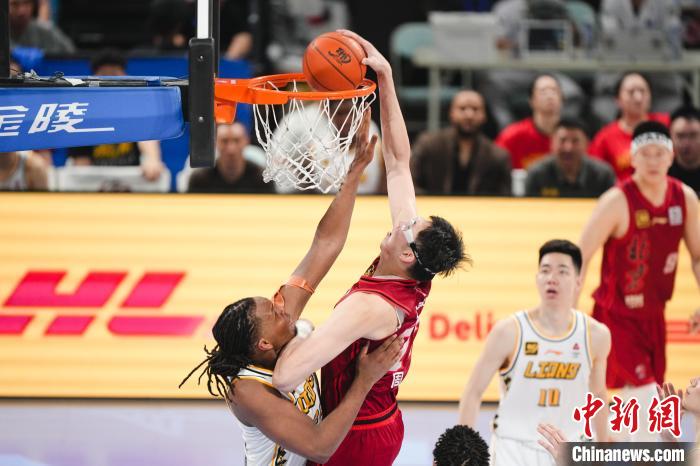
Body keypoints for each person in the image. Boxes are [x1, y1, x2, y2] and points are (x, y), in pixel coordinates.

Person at [272, 30, 468, 466]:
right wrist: (386, 78)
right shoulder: (412, 269)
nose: (403, 221)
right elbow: (398, 163)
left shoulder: (369, 307)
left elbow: (286, 377)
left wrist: (293, 331)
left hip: (354, 435)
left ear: (408, 254)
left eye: (409, 227)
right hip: (378, 421)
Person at [179, 112, 387, 465]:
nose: (282, 306)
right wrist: (364, 381)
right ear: (264, 344)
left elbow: (324, 245)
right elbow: (319, 446)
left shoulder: (278, 325)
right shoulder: (247, 390)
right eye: (274, 311)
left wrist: (353, 174)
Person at [579, 121, 700, 440]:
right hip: (615, 315)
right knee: (645, 394)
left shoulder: (684, 198)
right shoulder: (616, 201)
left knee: (643, 400)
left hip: (653, 315)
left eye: (660, 153)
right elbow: (581, 256)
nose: (653, 160)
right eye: (645, 153)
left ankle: (599, 441)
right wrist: (568, 314)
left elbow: (698, 255)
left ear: (671, 157)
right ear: (632, 158)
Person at [458, 240, 611, 465]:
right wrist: (462, 453)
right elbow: (473, 392)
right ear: (537, 278)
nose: (552, 278)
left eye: (562, 271)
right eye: (545, 270)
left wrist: (603, 448)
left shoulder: (596, 335)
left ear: (579, 281)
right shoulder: (508, 331)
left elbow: (598, 393)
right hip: (513, 448)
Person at [67, 50, 166, 182]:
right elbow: (81, 169)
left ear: (125, 76)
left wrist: (152, 160)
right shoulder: (81, 116)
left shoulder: (139, 111)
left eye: (114, 74)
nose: (109, 82)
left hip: (132, 185)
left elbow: (148, 143)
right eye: (103, 76)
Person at [411, 90, 512, 196]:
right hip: (432, 206)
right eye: (462, 108)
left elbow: (504, 197)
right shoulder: (428, 145)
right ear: (451, 113)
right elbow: (411, 183)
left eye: (475, 109)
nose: (469, 115)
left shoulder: (498, 156)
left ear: (484, 115)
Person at [589, 72, 670, 179]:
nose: (638, 98)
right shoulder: (604, 138)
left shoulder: (666, 123)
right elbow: (594, 173)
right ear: (618, 100)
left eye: (643, 91)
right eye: (631, 92)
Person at [525, 118, 616, 198]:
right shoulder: (537, 174)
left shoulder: (602, 175)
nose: (568, 148)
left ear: (587, 144)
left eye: (575, 141)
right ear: (552, 143)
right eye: (562, 140)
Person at [495, 74, 562, 170]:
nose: (549, 96)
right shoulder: (512, 136)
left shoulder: (572, 138)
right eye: (543, 92)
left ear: (562, 99)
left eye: (554, 91)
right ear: (532, 101)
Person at [187, 123, 274, 194]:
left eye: (237, 140)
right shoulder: (200, 179)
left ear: (247, 141)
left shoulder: (261, 179)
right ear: (215, 142)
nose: (231, 149)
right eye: (224, 141)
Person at [9, 0, 75, 54]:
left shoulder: (45, 30)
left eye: (27, 3)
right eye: (14, 4)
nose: (22, 11)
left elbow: (73, 54)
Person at [669, 106, 700, 194]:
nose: (687, 143)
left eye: (693, 135)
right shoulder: (661, 175)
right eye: (680, 136)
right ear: (671, 137)